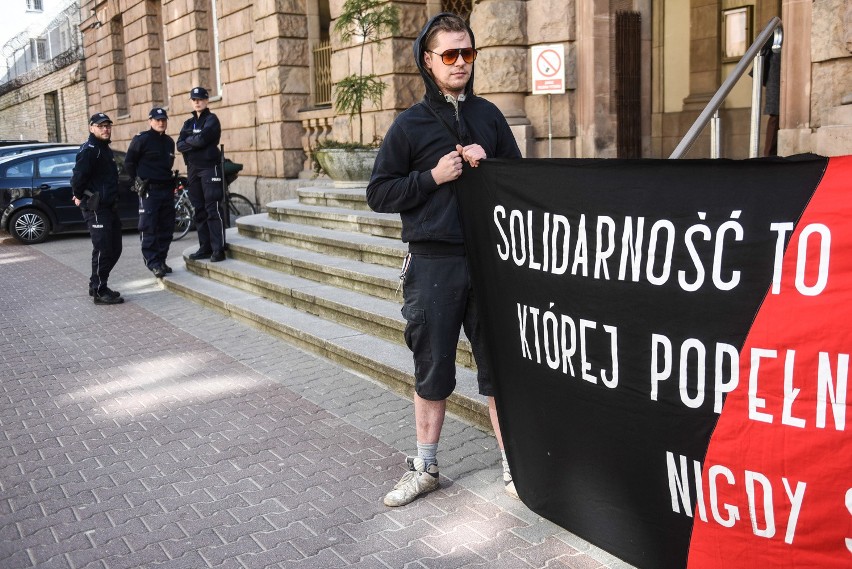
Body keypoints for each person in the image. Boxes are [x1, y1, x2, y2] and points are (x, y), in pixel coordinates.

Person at [366, 13, 522, 507]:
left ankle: (513, 467)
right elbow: (379, 193)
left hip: (489, 260)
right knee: (432, 366)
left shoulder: (490, 117)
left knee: (499, 366)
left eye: (468, 53)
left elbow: (521, 182)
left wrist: (490, 164)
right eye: (450, 55)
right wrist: (432, 177)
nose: (461, 63)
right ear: (427, 61)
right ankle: (426, 466)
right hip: (433, 262)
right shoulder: (408, 125)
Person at [71, 112, 124, 305]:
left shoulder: (103, 148)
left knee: (115, 248)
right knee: (103, 248)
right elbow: (77, 178)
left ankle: (97, 284)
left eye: (107, 126)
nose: (105, 129)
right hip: (96, 207)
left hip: (108, 207)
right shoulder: (90, 150)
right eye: (101, 126)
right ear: (91, 128)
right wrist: (78, 195)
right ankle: (100, 291)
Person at [125, 107, 176, 278]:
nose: (161, 122)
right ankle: (153, 263)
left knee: (166, 228)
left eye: (163, 120)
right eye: (157, 120)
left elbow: (167, 165)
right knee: (149, 228)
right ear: (150, 121)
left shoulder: (169, 142)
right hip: (150, 191)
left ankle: (161, 260)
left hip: (166, 190)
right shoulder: (142, 140)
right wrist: (137, 180)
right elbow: (129, 162)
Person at [176, 86, 226, 262]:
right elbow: (179, 144)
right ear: (191, 101)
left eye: (200, 99)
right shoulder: (188, 123)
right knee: (199, 209)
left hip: (209, 168)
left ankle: (218, 249)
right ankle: (205, 247)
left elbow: (204, 139)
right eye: (194, 99)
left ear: (206, 100)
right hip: (193, 169)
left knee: (212, 208)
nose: (197, 102)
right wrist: (194, 142)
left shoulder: (212, 120)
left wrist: (191, 141)